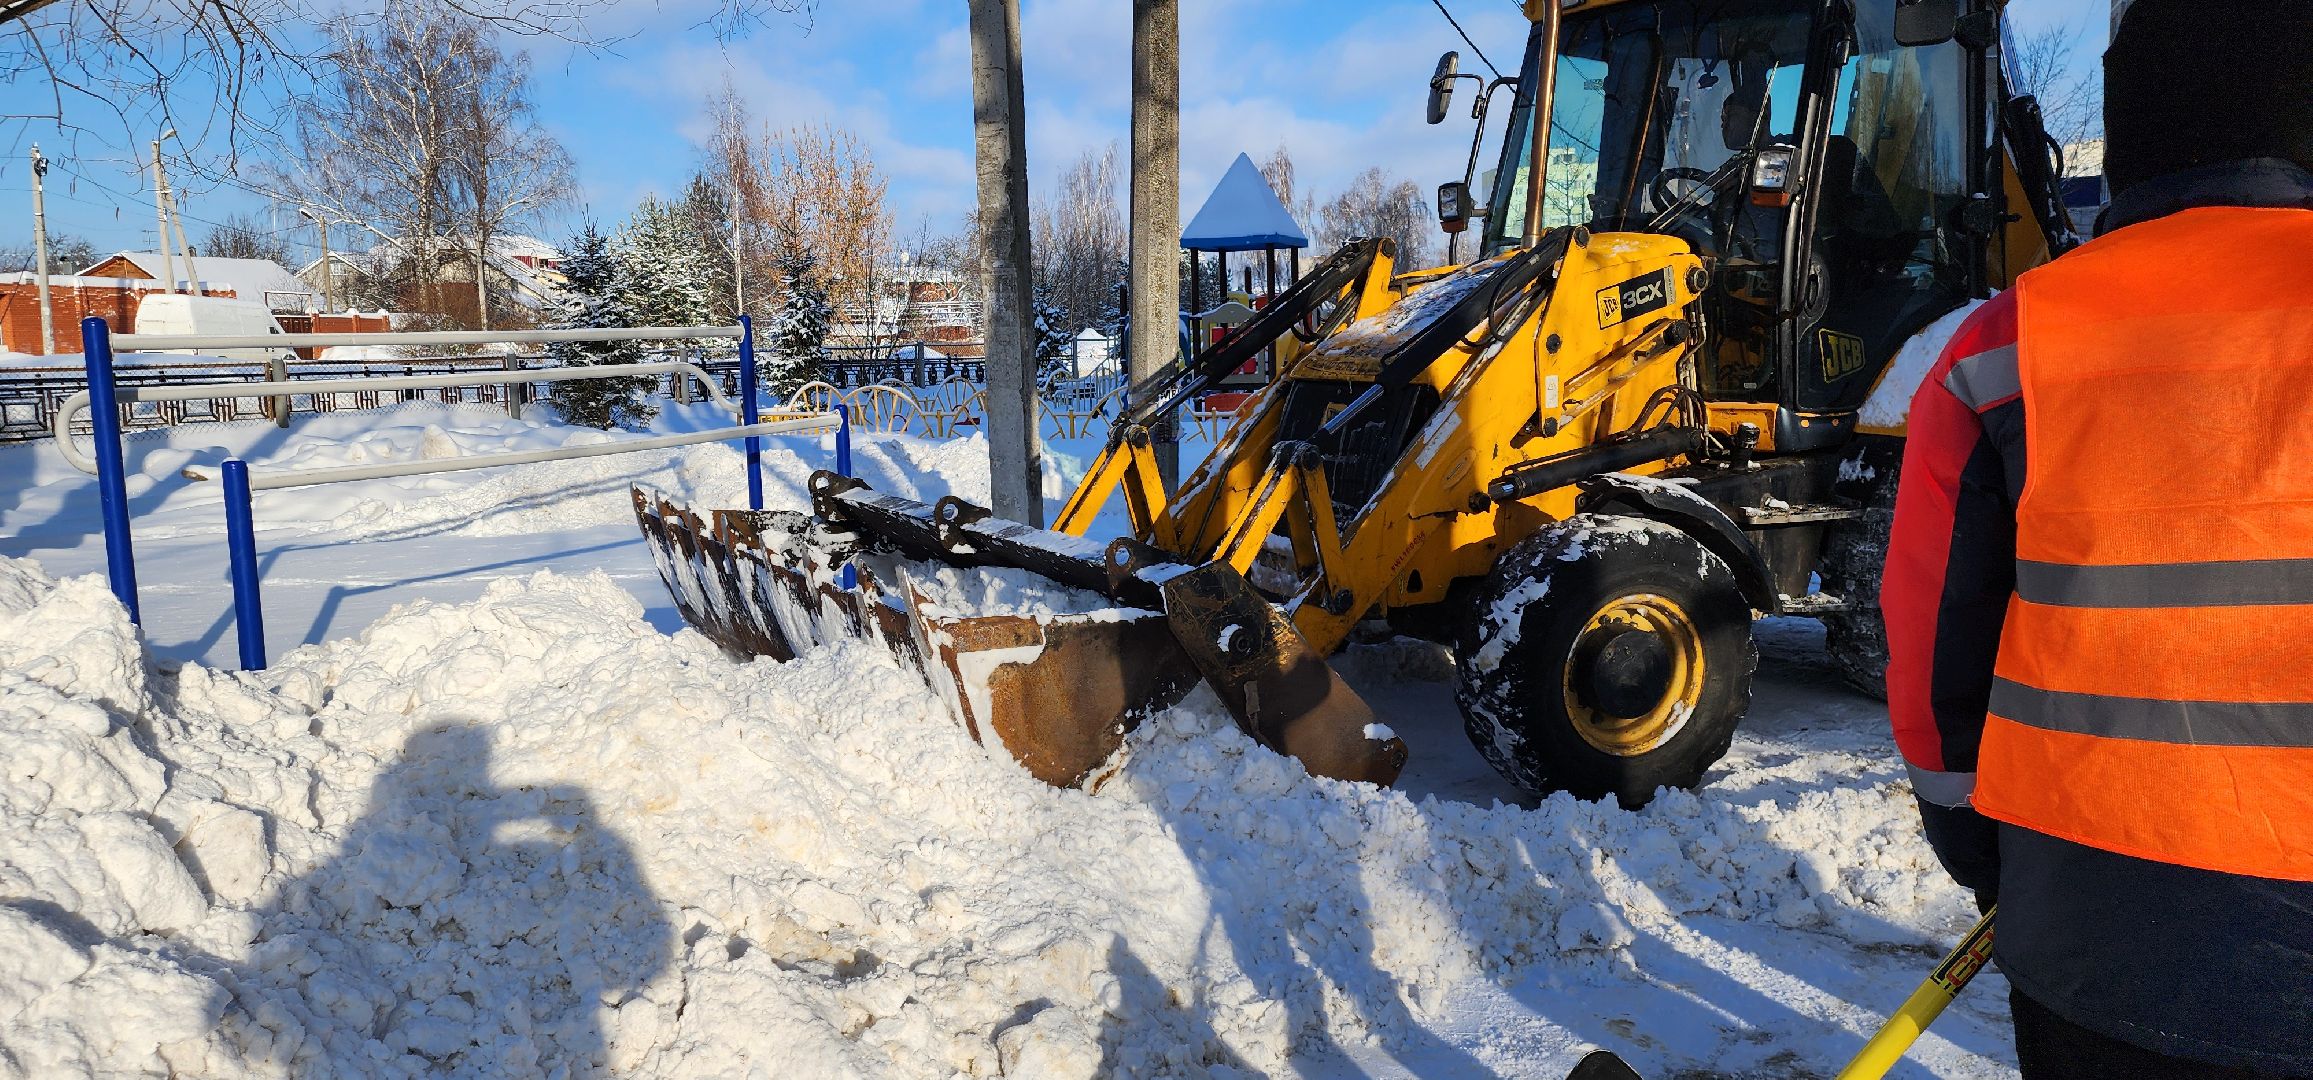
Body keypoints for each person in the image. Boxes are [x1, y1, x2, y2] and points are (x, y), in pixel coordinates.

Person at [1880, 1, 2313, 1076]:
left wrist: (1981, 847)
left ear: (2128, 129)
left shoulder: (2002, 345)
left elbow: (1933, 645)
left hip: (2094, 937)